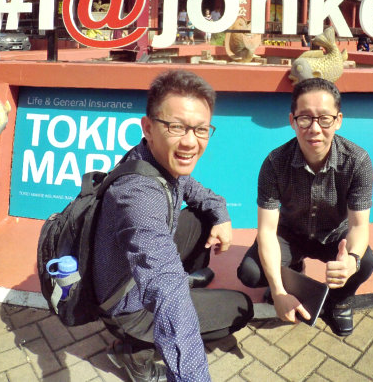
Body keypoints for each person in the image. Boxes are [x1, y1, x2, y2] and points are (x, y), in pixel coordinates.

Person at [93, 70, 253, 382]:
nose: (190, 142)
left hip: (131, 267)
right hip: (126, 302)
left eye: (201, 130)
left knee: (200, 218)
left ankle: (186, 279)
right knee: (240, 308)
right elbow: (167, 291)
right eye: (177, 127)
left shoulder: (155, 158)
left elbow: (202, 194)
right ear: (148, 127)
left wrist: (221, 216)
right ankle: (133, 351)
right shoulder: (138, 194)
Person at [237, 78, 373, 337]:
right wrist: (278, 291)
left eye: (325, 119)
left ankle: (339, 301)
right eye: (305, 118)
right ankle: (293, 273)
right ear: (292, 120)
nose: (314, 129)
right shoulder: (274, 163)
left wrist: (351, 261)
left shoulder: (357, 161)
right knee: (251, 273)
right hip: (290, 233)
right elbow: (266, 231)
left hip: (335, 235)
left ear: (338, 120)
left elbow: (359, 225)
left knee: (365, 261)